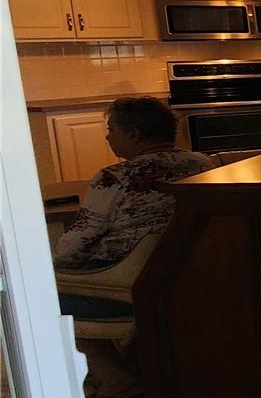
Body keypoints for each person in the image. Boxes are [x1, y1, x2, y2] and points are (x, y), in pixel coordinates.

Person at [55, 97, 217, 316]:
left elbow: (74, 245)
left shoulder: (114, 177)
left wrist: (52, 265)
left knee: (33, 298)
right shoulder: (203, 163)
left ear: (134, 134)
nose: (107, 137)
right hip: (189, 273)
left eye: (111, 130)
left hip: (122, 284)